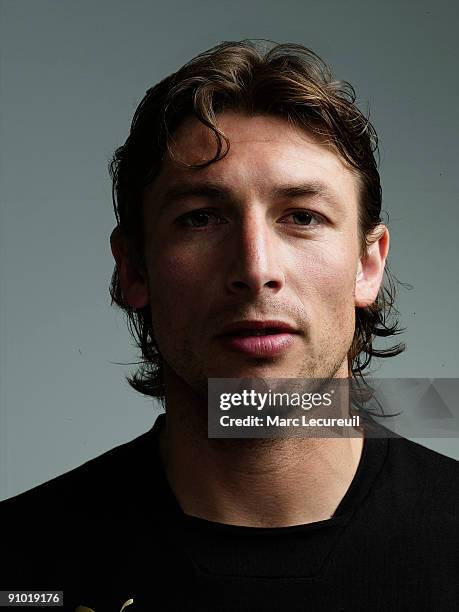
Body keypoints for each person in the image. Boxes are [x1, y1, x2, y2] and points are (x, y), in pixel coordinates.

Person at [0, 40, 457, 612]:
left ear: (367, 266)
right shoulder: (18, 566)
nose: (256, 269)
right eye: (201, 218)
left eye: (303, 217)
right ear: (134, 267)